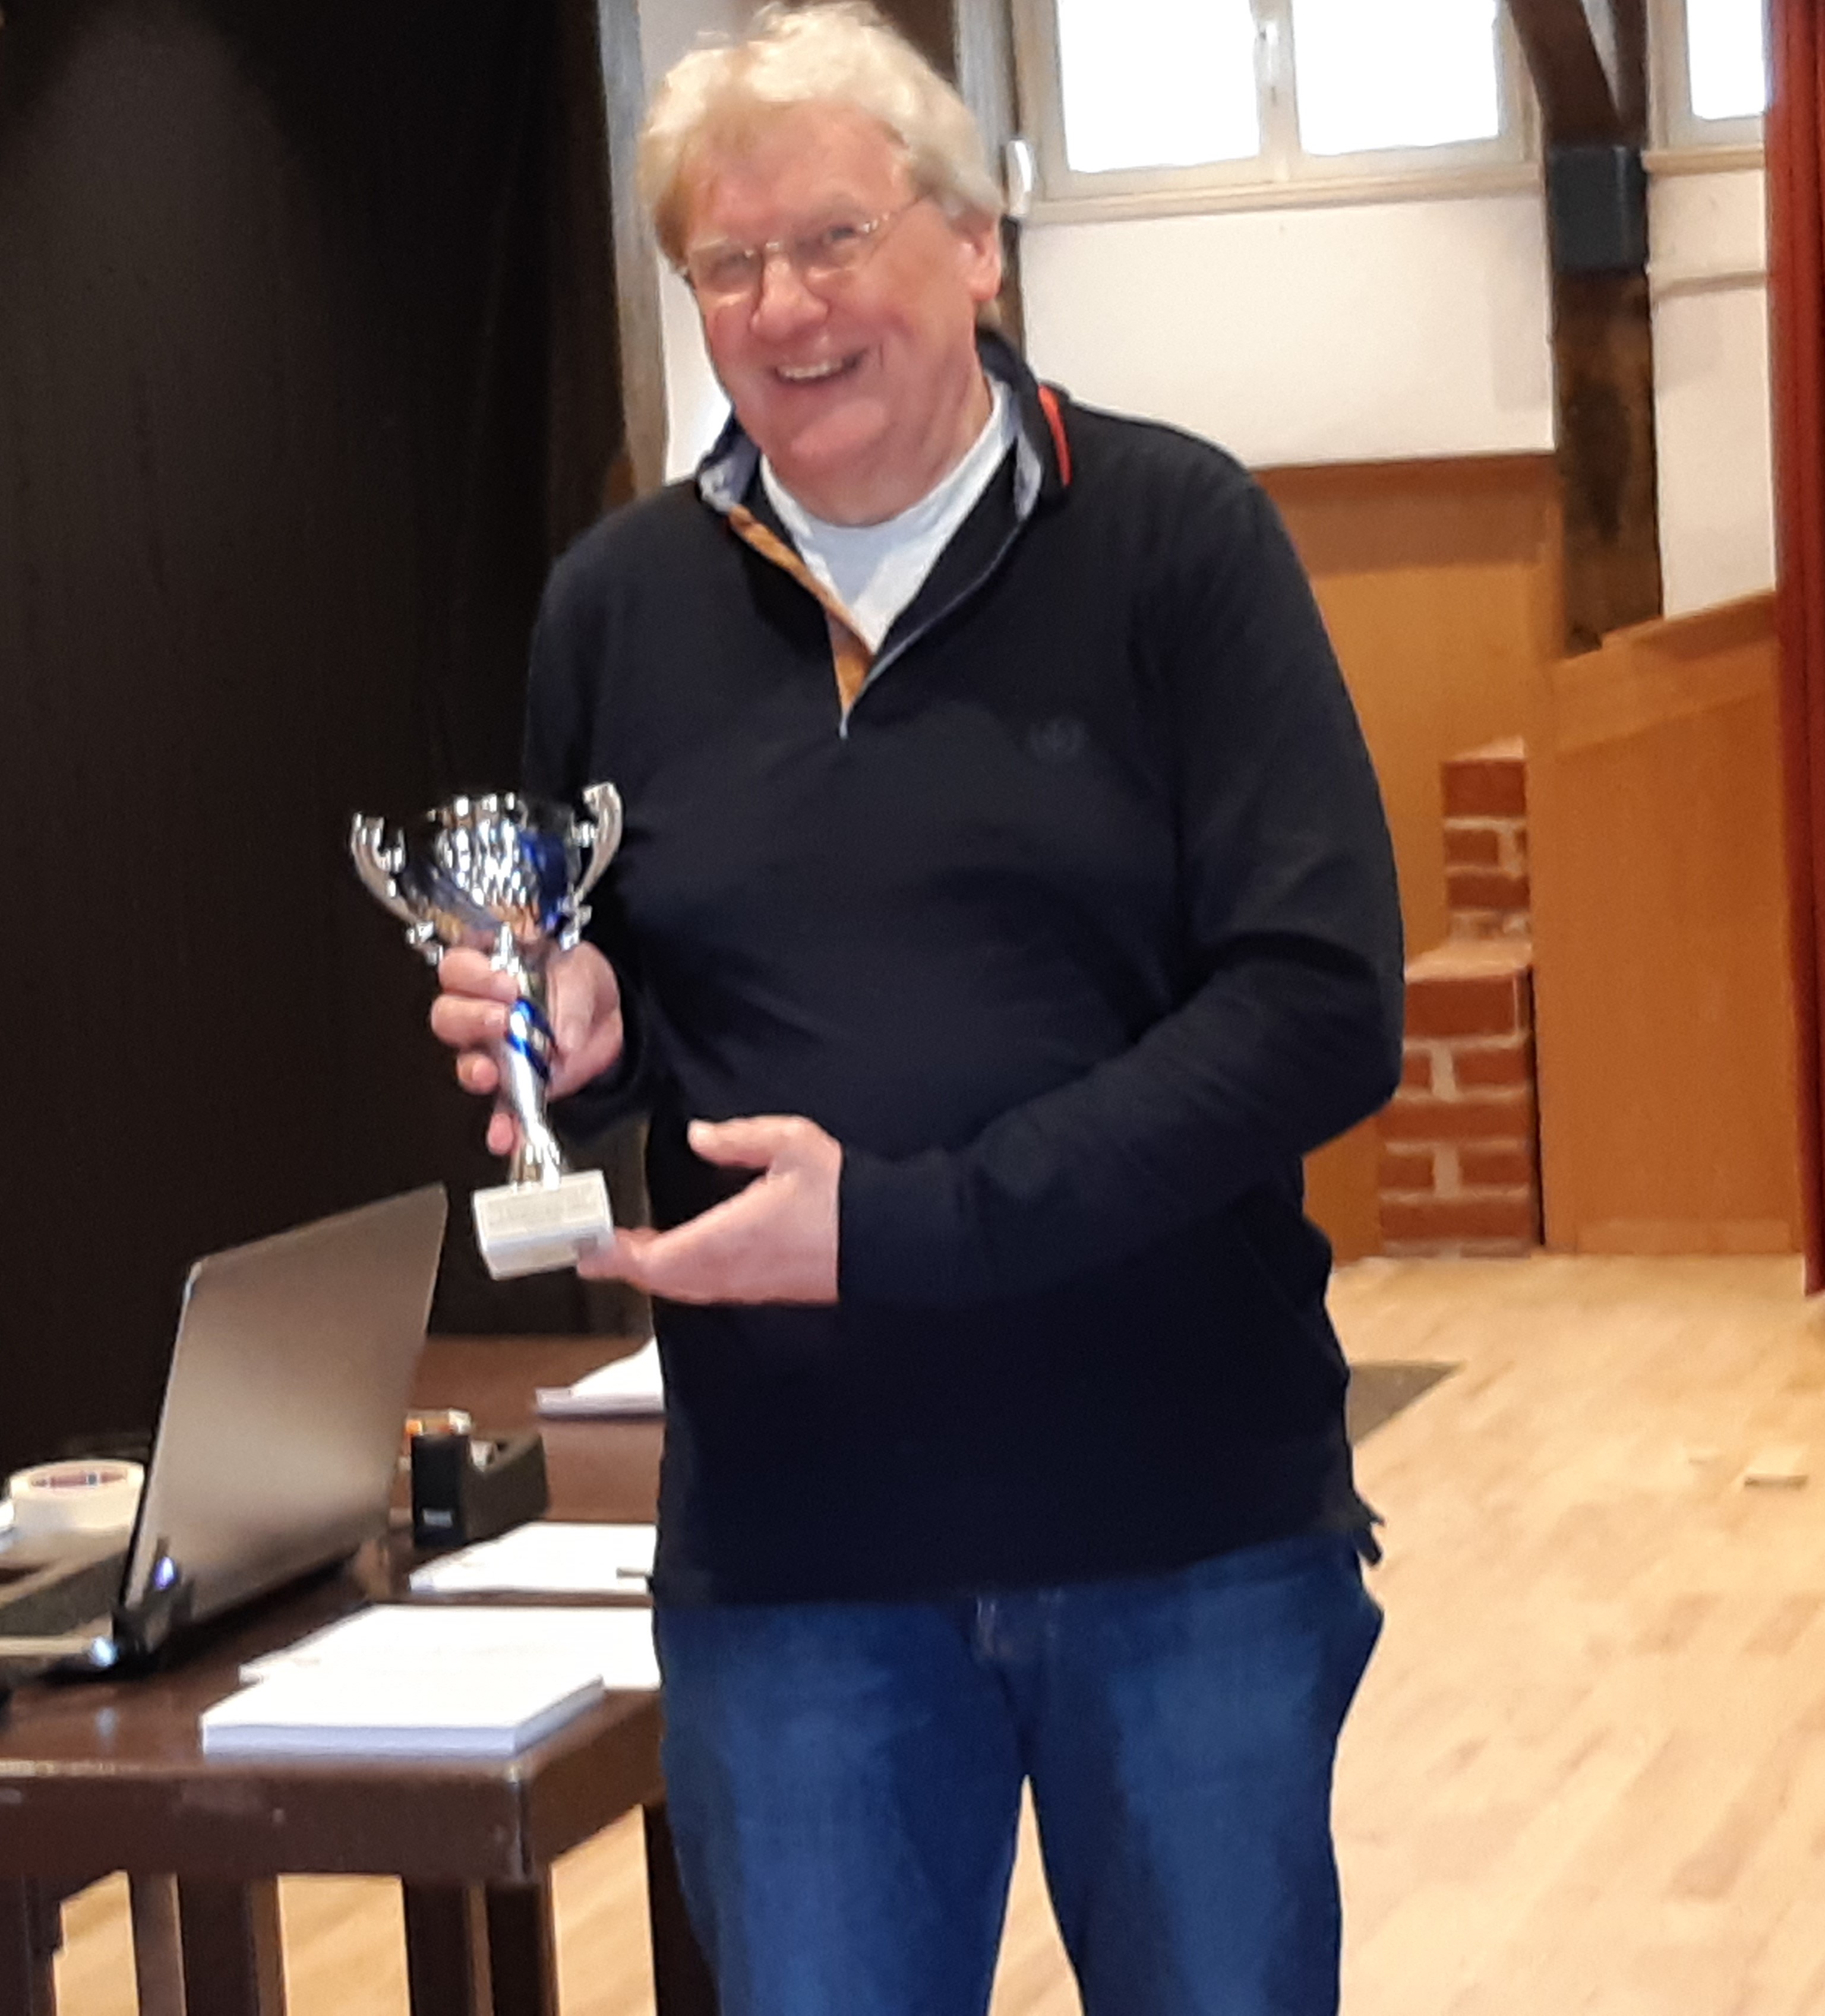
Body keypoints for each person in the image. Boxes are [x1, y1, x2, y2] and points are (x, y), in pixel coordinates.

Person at [431, 5, 1404, 2009]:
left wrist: (905, 1225)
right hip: (794, 1561)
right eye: (726, 261)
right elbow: (608, 1024)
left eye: (832, 238)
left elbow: (1320, 1005)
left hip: (1186, 1531)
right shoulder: (614, 608)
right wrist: (583, 1030)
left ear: (977, 245)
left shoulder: (1180, 540)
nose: (783, 305)